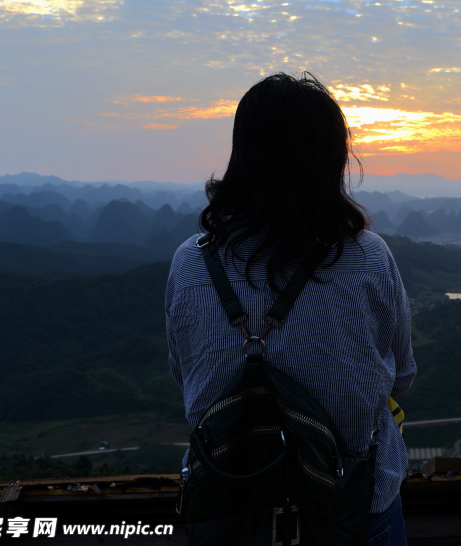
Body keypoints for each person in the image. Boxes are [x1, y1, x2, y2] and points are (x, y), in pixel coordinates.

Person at [165, 72, 416, 545]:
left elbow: (186, 377)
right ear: (332, 157)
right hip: (353, 511)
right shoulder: (368, 257)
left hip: (229, 513)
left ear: (242, 154)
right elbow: (401, 376)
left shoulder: (191, 263)